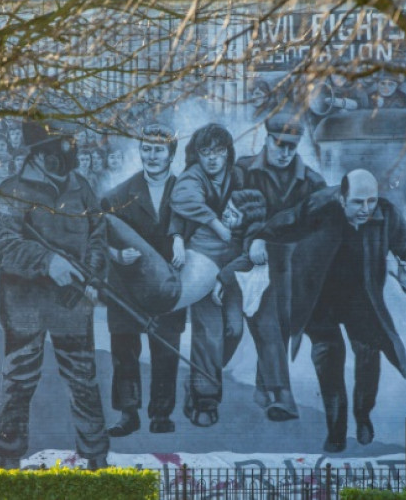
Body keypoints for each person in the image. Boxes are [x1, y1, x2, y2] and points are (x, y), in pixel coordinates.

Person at [255, 169, 406, 453]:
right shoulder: (320, 206)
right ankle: (336, 431)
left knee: (368, 357)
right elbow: (288, 221)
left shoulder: (386, 215)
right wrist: (259, 238)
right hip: (320, 299)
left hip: (362, 301)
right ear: (342, 198)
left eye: (371, 201)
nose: (366, 209)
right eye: (358, 202)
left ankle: (363, 415)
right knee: (328, 361)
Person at [0, 121, 108, 469]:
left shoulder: (80, 188)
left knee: (83, 380)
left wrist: (92, 276)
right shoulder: (12, 191)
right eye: (62, 146)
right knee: (19, 382)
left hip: (72, 304)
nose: (70, 151)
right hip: (24, 307)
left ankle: (97, 459)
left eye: (71, 143)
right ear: (39, 154)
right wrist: (47, 262)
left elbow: (98, 234)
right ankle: (9, 459)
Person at [237, 111, 326, 422]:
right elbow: (232, 214)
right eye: (280, 145)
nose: (286, 152)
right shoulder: (243, 171)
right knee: (268, 321)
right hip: (250, 261)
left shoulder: (312, 181)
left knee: (283, 322)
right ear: (267, 140)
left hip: (291, 267)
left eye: (292, 146)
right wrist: (255, 238)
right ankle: (282, 395)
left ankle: (264, 388)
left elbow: (320, 226)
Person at [101, 124, 186, 437]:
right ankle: (128, 414)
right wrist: (115, 254)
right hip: (126, 284)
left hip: (169, 284)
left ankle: (161, 413)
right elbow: (95, 236)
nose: (151, 156)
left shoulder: (187, 192)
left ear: (171, 154)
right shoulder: (118, 196)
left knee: (166, 349)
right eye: (146, 149)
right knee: (125, 350)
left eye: (158, 150)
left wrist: (182, 241)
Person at [169, 122, 243, 427]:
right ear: (196, 154)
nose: (212, 158)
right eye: (205, 151)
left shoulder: (238, 177)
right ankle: (205, 400)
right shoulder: (192, 176)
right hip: (201, 260)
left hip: (234, 265)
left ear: (228, 153)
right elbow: (182, 200)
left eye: (219, 151)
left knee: (234, 330)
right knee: (209, 332)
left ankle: (202, 375)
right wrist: (215, 224)